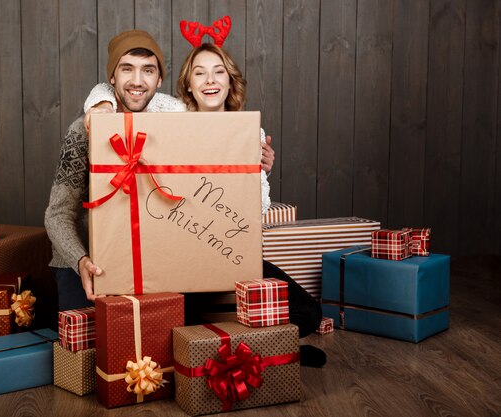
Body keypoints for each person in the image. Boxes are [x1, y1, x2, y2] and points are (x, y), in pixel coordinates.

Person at [83, 27, 326, 367]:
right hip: (180, 253)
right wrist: (102, 105)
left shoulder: (249, 132)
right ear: (189, 85)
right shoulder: (172, 113)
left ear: (230, 81)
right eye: (200, 73)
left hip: (228, 249)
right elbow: (110, 86)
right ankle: (242, 352)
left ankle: (265, 348)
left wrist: (260, 171)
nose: (209, 80)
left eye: (218, 72)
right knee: (181, 323)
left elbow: (256, 212)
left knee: (309, 313)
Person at [44, 29, 184, 312]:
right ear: (112, 78)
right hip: (84, 260)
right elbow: (57, 214)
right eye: (126, 69)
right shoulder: (82, 132)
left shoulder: (173, 131)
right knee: (90, 346)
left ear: (159, 80)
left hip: (147, 259)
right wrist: (81, 260)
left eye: (147, 70)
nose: (136, 81)